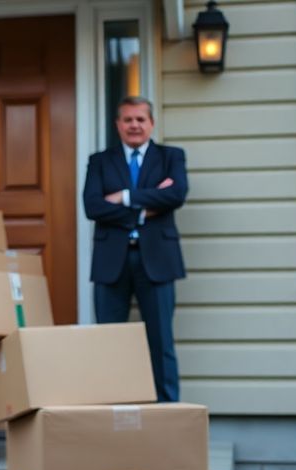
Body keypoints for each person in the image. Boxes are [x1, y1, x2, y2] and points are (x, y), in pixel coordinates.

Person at [82, 95, 188, 403]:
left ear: (151, 123)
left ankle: (167, 410)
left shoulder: (171, 157)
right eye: (127, 119)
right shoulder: (100, 161)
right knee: (110, 341)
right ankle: (113, 406)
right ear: (118, 125)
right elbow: (92, 206)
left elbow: (176, 195)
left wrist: (125, 197)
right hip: (110, 260)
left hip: (157, 260)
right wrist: (147, 206)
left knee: (161, 341)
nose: (134, 125)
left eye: (140, 119)